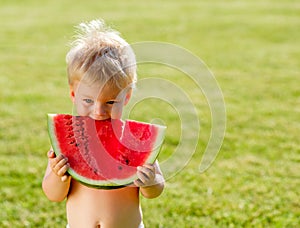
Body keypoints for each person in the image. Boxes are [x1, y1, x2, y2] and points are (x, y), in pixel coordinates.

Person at [42, 19, 165, 228]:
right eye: (88, 101)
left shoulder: (134, 141)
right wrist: (57, 175)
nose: (99, 111)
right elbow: (53, 195)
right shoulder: (67, 145)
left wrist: (151, 181)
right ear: (74, 94)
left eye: (110, 102)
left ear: (126, 98)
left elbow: (155, 190)